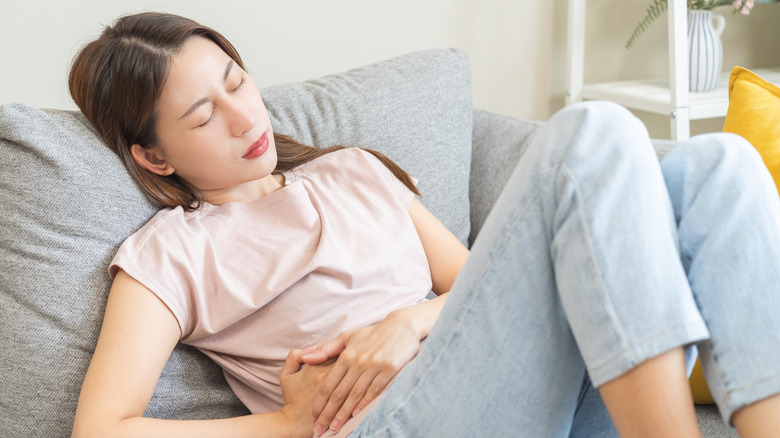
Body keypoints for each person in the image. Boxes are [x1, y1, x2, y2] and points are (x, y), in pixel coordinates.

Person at [68, 11, 780, 438]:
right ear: (152, 154)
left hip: (514, 396)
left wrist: (407, 322)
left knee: (722, 164)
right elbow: (101, 430)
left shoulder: (351, 170)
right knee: (589, 133)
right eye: (203, 115)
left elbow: (482, 289)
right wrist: (287, 425)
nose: (244, 116)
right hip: (389, 425)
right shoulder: (171, 251)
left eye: (235, 81)